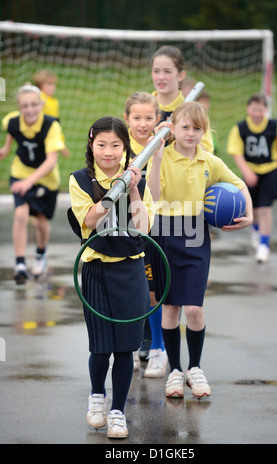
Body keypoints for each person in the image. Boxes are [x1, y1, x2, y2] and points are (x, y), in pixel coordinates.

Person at [146, 101, 253, 399]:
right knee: (170, 307)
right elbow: (153, 197)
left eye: (197, 128)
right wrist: (154, 160)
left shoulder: (209, 161)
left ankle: (195, 367)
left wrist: (251, 215)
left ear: (204, 131)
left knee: (193, 308)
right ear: (173, 129)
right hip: (165, 234)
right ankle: (175, 372)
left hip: (195, 237)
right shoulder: (163, 156)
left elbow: (240, 184)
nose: (191, 133)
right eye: (185, 127)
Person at [68, 116, 155, 439]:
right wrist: (112, 191)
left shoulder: (138, 181)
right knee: (101, 347)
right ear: (91, 145)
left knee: (125, 348)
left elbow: (144, 227)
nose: (108, 152)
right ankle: (96, 400)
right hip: (96, 271)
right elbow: (89, 219)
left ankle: (118, 411)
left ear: (125, 147)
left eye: (115, 145)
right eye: (101, 144)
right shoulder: (79, 180)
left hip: (131, 270)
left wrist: (131, 189)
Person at [0, 84, 64, 284]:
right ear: (19, 107)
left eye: (34, 104)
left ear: (41, 104)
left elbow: (51, 161)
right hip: (20, 173)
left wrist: (29, 182)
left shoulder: (51, 125)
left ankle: (40, 255)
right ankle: (20, 263)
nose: (30, 109)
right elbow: (11, 132)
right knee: (20, 214)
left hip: (46, 180)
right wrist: (6, 148)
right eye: (25, 106)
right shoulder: (11, 121)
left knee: (41, 222)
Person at [123, 91, 168, 378]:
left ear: (157, 119)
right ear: (126, 118)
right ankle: (128, 348)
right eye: (136, 117)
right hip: (121, 228)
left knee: (152, 292)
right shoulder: (119, 146)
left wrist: (159, 156)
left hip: (150, 226)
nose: (142, 123)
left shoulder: (160, 145)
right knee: (127, 291)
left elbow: (157, 192)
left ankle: (158, 350)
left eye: (148, 117)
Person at [227, 93, 277, 263]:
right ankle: (257, 230)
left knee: (264, 208)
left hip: (271, 171)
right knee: (253, 208)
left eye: (261, 110)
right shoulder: (240, 128)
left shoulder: (275, 126)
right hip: (250, 171)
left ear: (266, 110)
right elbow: (236, 153)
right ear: (248, 109)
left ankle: (264, 245)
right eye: (254, 109)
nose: (257, 113)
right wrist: (246, 172)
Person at [151, 45, 214, 154]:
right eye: (156, 71)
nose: (161, 77)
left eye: (167, 71)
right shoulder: (142, 107)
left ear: (181, 75)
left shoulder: (193, 110)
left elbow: (208, 156)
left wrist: (182, 132)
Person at [33, 69, 69, 158]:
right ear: (40, 86)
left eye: (53, 84)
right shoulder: (38, 97)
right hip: (35, 136)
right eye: (49, 84)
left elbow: (56, 123)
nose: (52, 87)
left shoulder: (54, 102)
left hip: (49, 138)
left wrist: (61, 142)